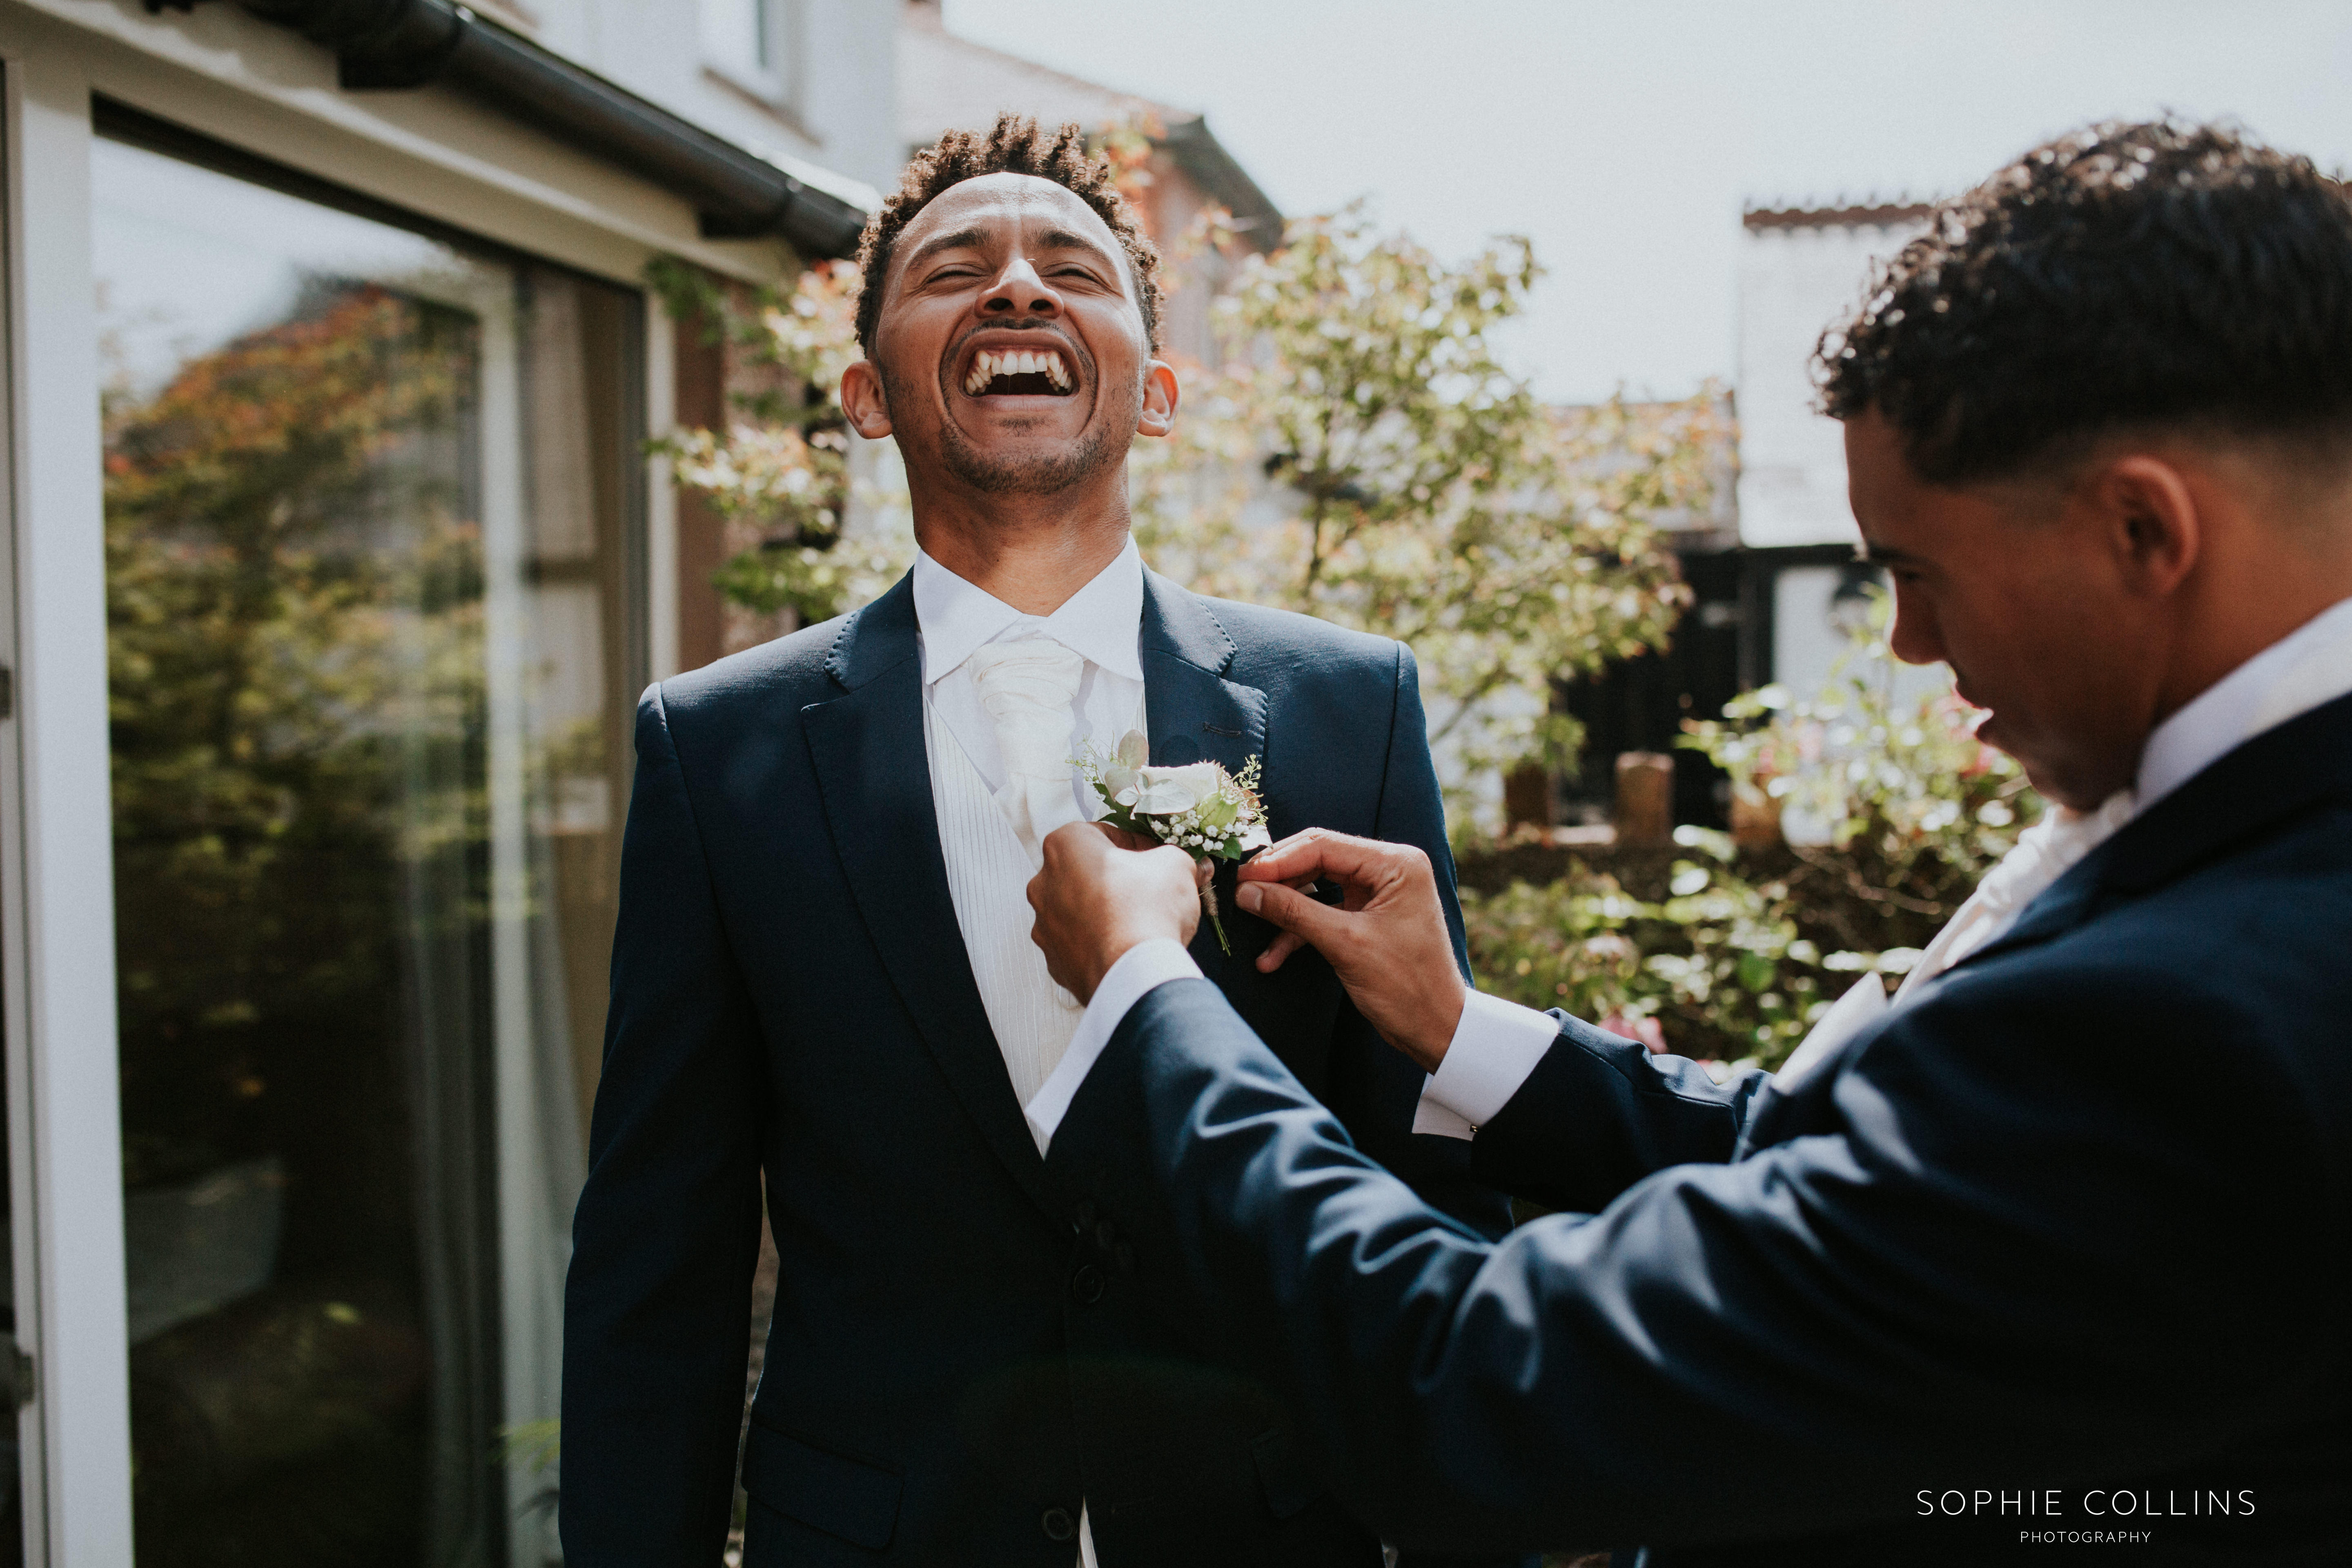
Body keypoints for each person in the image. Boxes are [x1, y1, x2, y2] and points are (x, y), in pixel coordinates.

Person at [1021, 119, 2352, 1566]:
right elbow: (1837, 1178)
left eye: (1917, 573)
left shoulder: (2187, 1019)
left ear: (2145, 532)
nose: (1907, 642)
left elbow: (1480, 1389)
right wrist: (1461, 1027)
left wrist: (1151, 993)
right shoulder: (2245, 862)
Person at [559, 114, 1510, 1568]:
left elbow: (1418, 1170)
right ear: (868, 395)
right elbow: (658, 1255)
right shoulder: (718, 747)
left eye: (1071, 267)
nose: (1016, 289)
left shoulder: (1347, 706)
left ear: (1162, 391)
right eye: (957, 267)